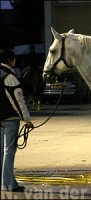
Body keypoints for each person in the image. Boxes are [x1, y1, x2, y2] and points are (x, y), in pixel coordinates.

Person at [1, 49, 34, 192]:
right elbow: (18, 101)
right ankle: (8, 184)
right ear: (9, 60)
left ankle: (3, 182)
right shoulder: (10, 77)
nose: (15, 61)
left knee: (1, 152)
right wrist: (27, 119)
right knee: (9, 151)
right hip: (10, 119)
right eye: (14, 59)